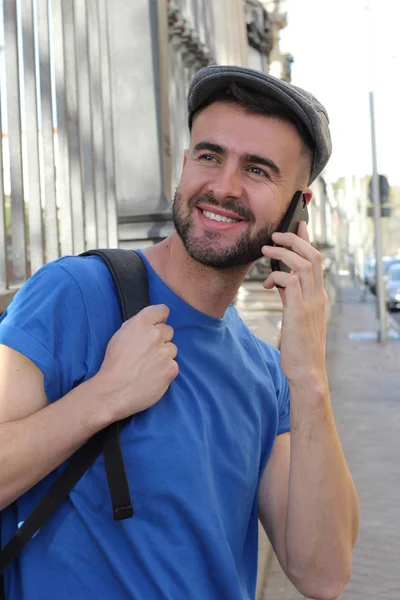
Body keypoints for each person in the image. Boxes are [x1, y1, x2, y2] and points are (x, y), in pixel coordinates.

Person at [0, 65, 359, 600]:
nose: (223, 186)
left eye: (258, 170)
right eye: (210, 156)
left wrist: (309, 376)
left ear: (296, 210)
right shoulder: (75, 294)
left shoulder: (268, 373)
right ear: (185, 163)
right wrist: (102, 397)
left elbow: (322, 573)